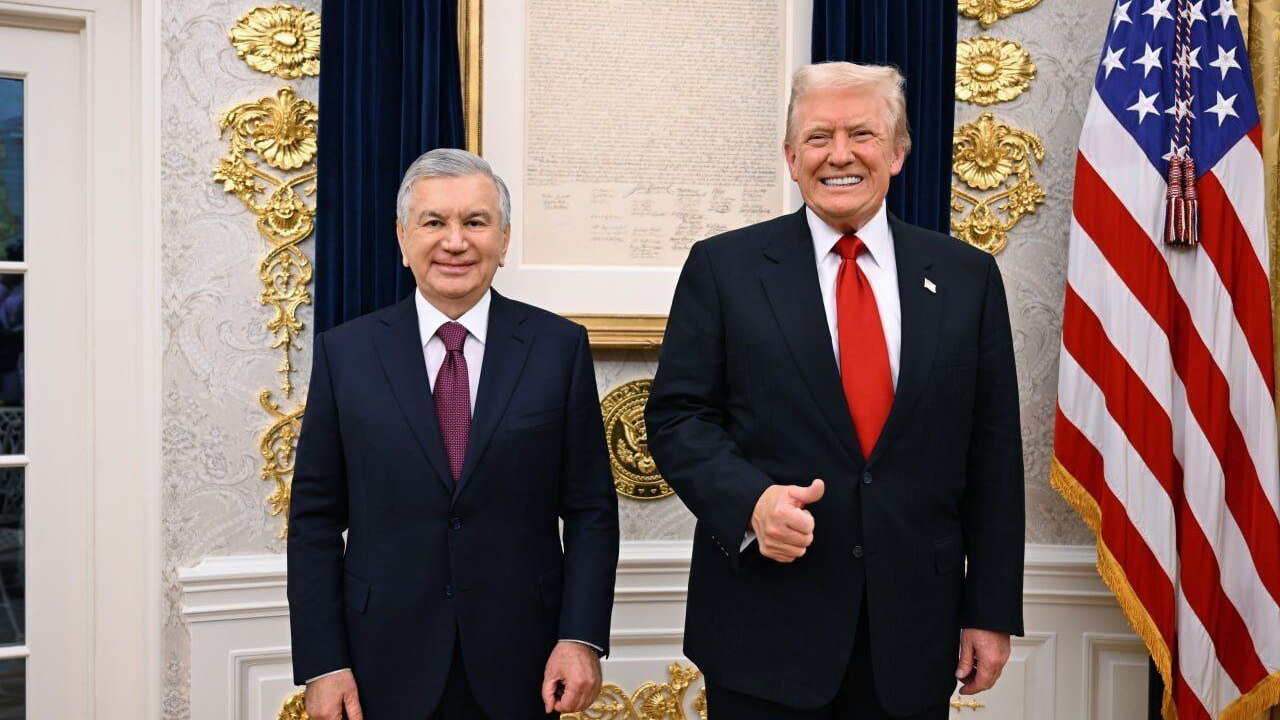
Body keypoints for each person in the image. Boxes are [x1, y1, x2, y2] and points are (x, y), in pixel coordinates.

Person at [646, 61, 1025, 719]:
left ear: (898, 153)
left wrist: (989, 610)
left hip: (913, 637)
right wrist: (751, 503)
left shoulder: (968, 278)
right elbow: (678, 419)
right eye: (818, 137)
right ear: (792, 158)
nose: (840, 154)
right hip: (764, 631)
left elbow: (993, 455)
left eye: (862, 134)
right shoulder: (723, 268)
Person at [287, 148, 620, 719]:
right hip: (379, 665)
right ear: (402, 238)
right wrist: (323, 663)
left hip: (525, 661)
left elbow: (591, 509)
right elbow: (314, 519)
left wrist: (581, 637)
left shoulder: (558, 349)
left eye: (476, 222)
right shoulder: (346, 355)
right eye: (434, 222)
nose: (455, 241)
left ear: (504, 239)